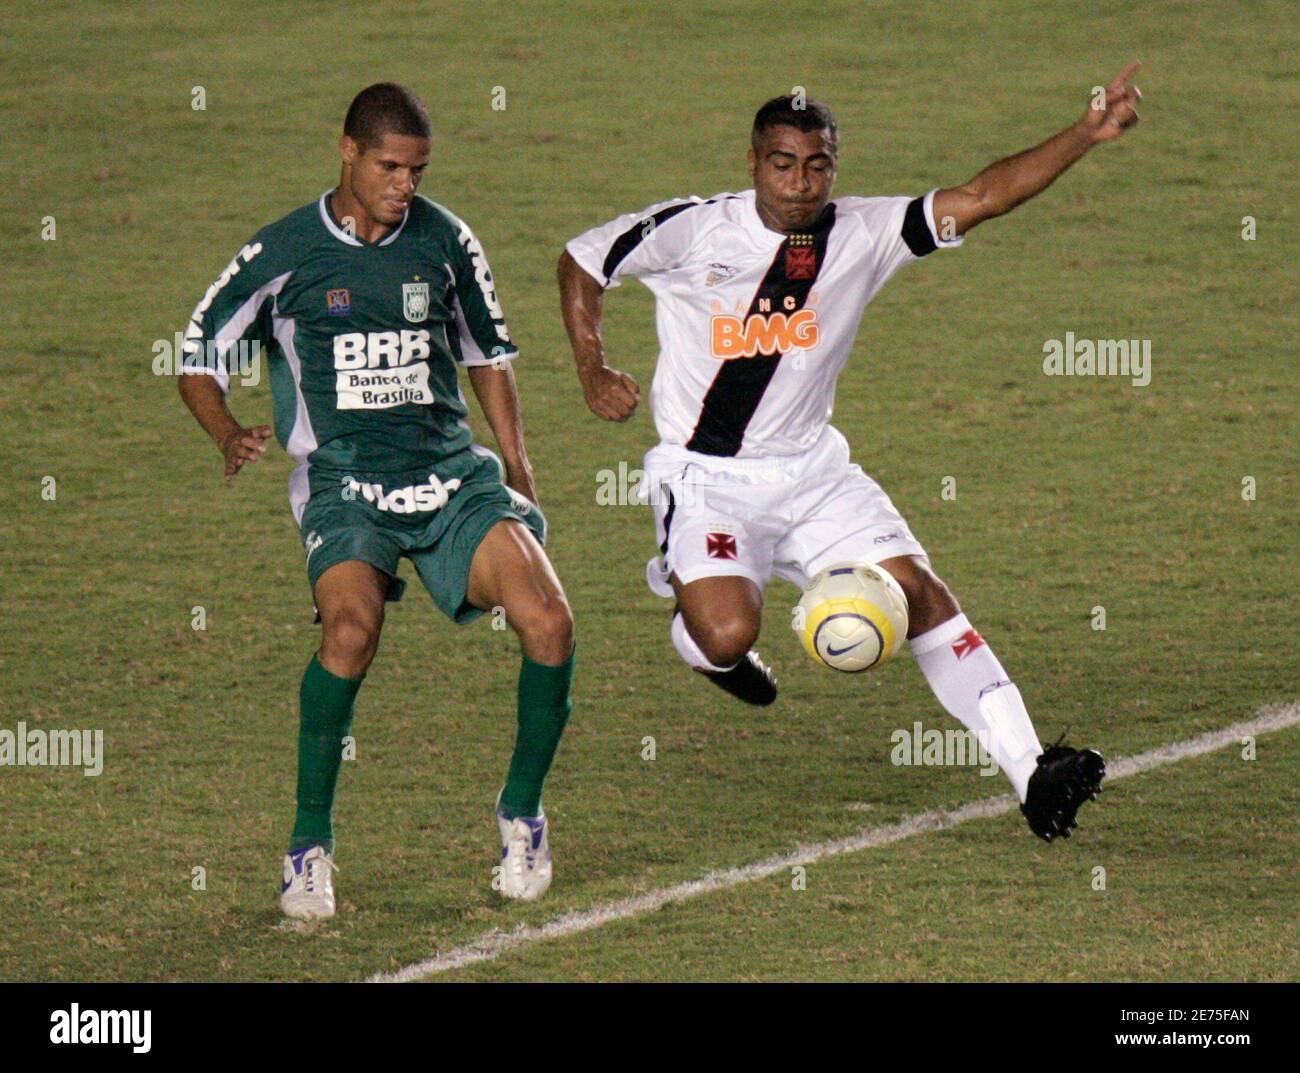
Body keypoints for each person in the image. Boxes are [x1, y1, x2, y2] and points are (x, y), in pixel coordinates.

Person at [557, 65, 1144, 840]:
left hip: (815, 475)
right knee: (728, 632)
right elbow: (582, 261)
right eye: (783, 163)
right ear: (752, 162)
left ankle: (1033, 770)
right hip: (708, 480)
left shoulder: (863, 232)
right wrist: (592, 364)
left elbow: (982, 195)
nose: (801, 182)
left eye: (818, 164)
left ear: (835, 164)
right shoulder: (694, 230)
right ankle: (698, 642)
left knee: (924, 595)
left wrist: (1085, 133)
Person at [180, 83, 574, 918]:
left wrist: (517, 466)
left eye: (418, 169)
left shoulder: (445, 240)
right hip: (345, 483)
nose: (406, 184)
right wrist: (224, 431)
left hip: (449, 474)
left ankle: (523, 816)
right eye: (391, 166)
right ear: (348, 152)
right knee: (351, 634)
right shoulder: (284, 252)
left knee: (550, 622)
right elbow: (196, 353)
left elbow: (488, 356)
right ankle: (307, 848)